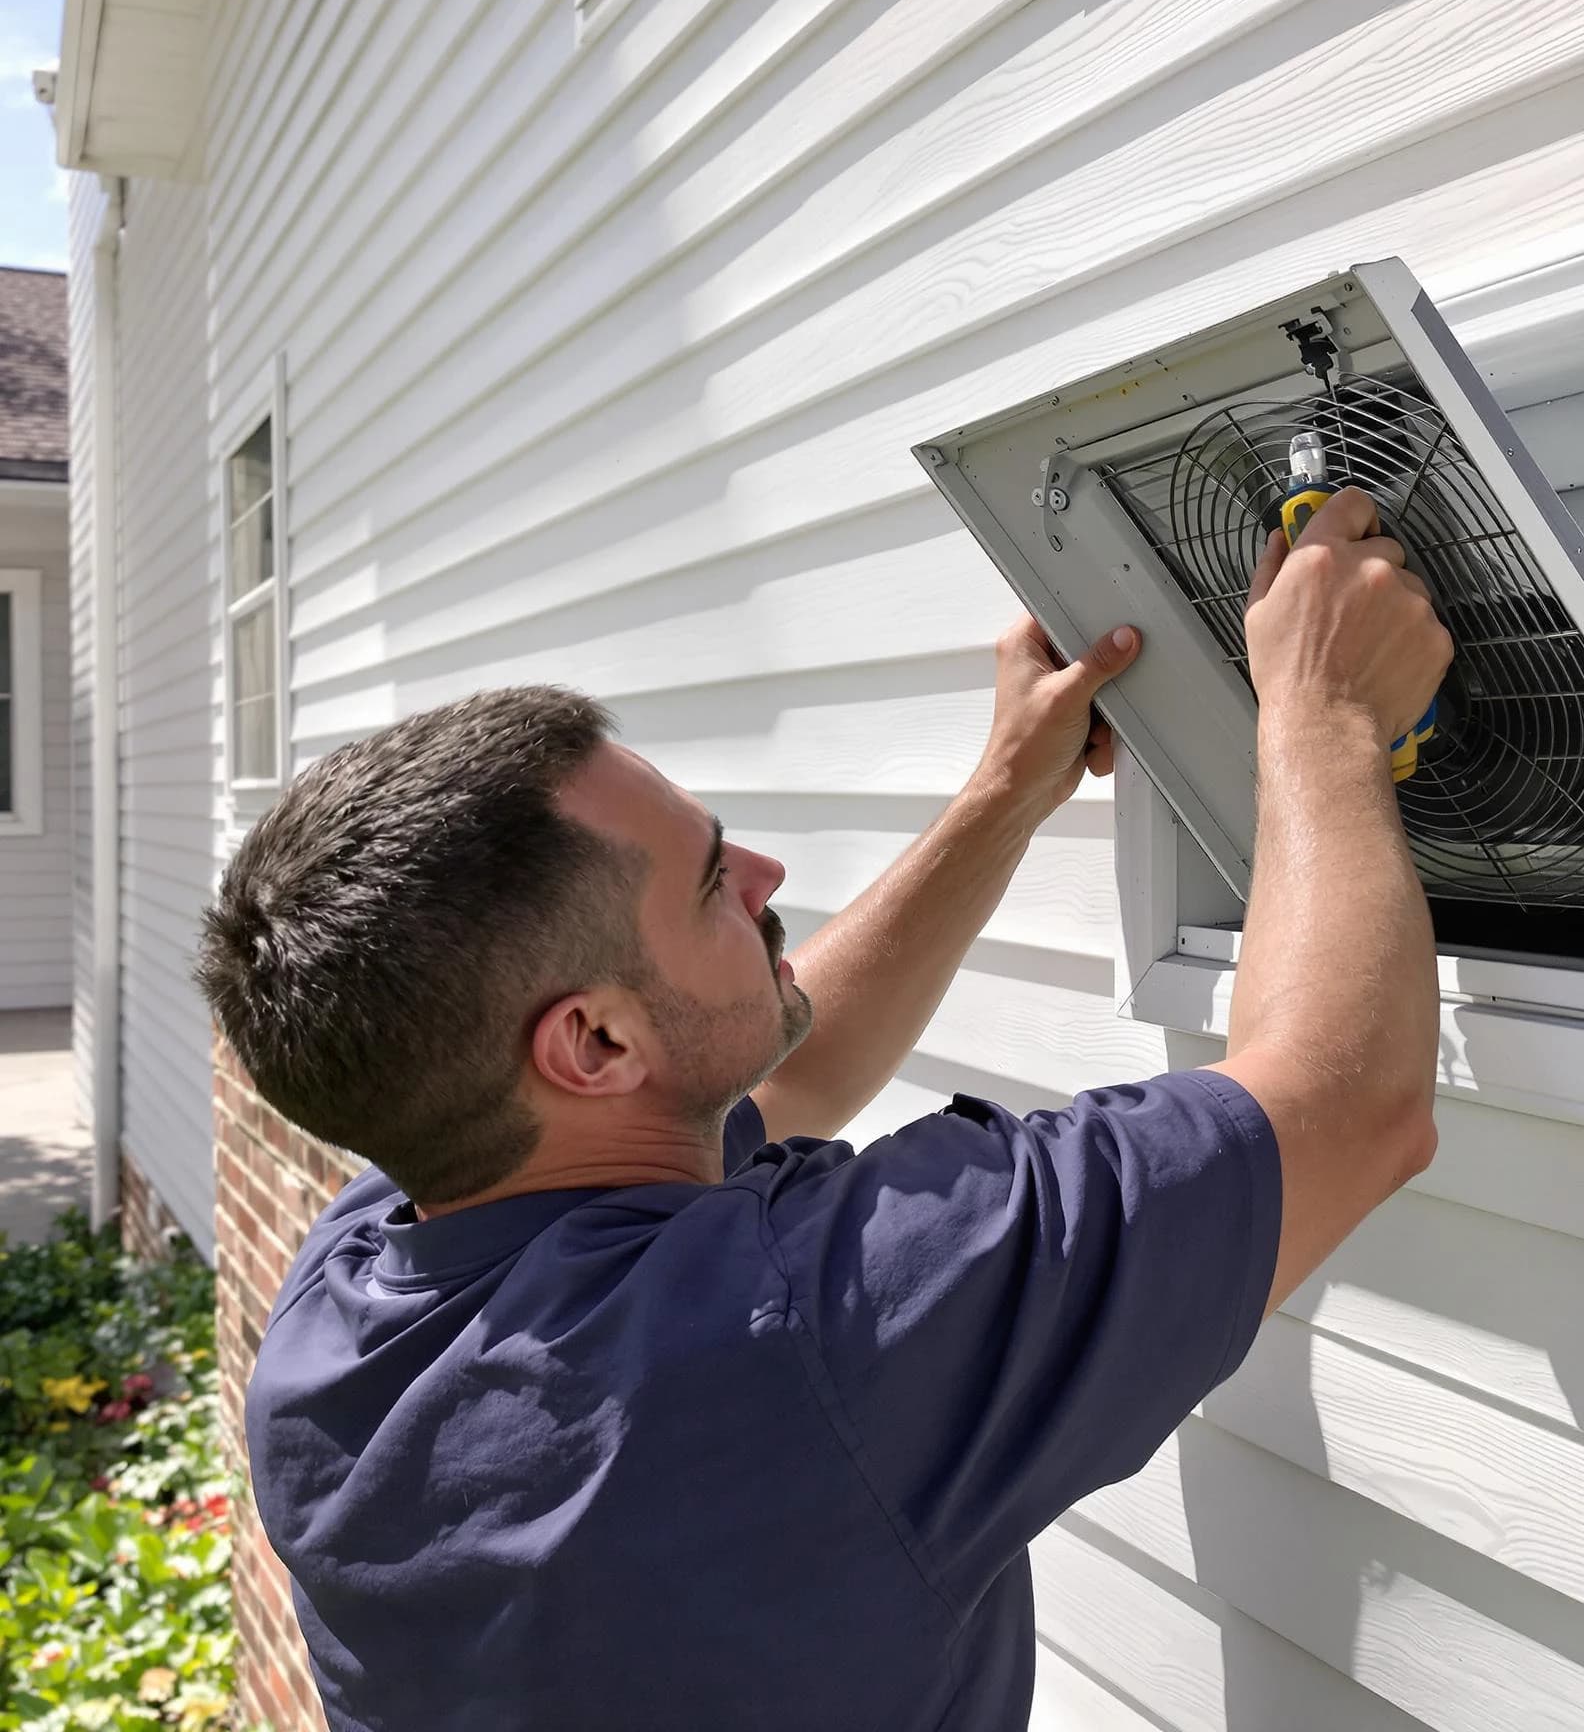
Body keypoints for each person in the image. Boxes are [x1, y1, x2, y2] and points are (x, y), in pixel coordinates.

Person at [197, 489, 1451, 1731]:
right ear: (593, 1040)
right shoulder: (801, 1335)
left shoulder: (346, 1304)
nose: (763, 876)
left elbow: (762, 1080)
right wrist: (1322, 710)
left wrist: (1006, 790)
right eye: (709, 882)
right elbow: (1348, 1100)